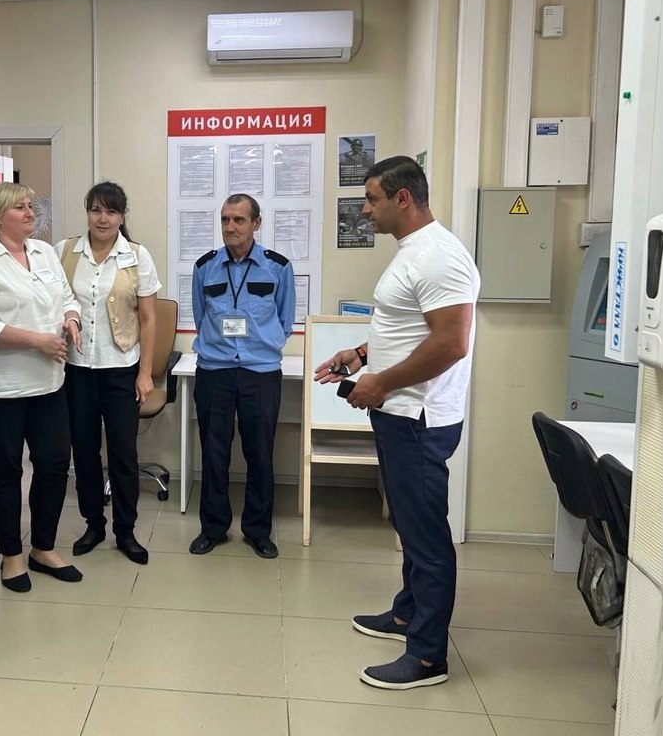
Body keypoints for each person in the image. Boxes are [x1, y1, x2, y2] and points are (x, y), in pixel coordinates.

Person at [314, 155, 480, 691]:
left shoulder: (439, 256)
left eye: (372, 199)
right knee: (409, 525)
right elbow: (408, 327)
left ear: (402, 198)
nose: (365, 210)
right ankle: (408, 613)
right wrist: (362, 355)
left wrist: (382, 383)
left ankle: (428, 657)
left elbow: (451, 343)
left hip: (418, 418)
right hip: (398, 412)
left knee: (427, 536)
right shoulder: (413, 252)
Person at [0, 183, 84, 592]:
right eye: (20, 207)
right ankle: (11, 556)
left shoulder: (44, 252)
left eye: (32, 206)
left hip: (49, 382)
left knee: (53, 465)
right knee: (5, 472)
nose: (31, 213)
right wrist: (38, 341)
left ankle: (43, 548)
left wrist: (71, 320)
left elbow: (67, 296)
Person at [56, 181, 161, 565]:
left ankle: (125, 531)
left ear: (122, 216)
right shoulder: (64, 252)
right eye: (96, 210)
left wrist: (145, 373)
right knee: (83, 451)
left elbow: (148, 319)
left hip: (121, 370)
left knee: (123, 453)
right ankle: (94, 524)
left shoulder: (136, 256)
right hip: (77, 370)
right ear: (87, 212)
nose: (103, 218)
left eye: (111, 211)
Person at [189, 193, 295, 559]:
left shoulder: (278, 267)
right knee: (213, 452)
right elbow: (201, 316)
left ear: (256, 223)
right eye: (225, 219)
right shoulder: (205, 267)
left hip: (260, 372)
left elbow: (285, 320)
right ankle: (213, 528)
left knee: (260, 453)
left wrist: (261, 347)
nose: (230, 226)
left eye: (239, 219)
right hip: (215, 370)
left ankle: (258, 530)